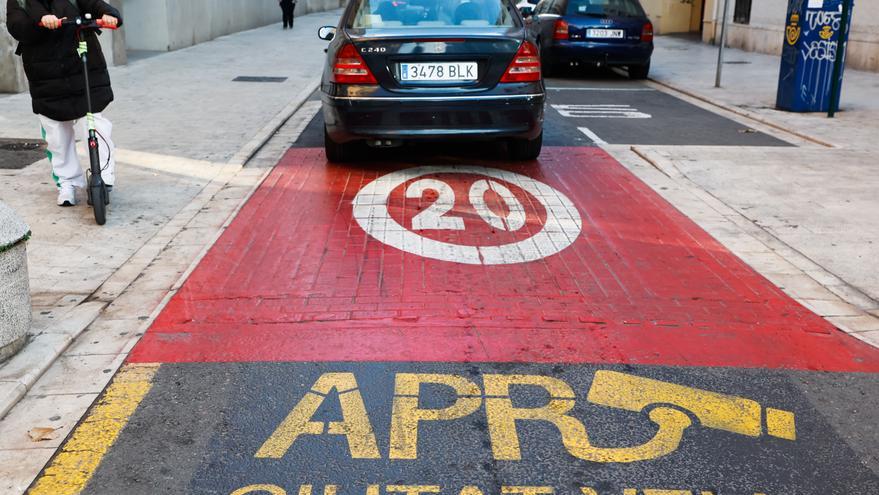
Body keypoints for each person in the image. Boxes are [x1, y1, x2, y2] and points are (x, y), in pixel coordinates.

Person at [5, 0, 122, 207]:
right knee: (56, 133)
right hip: (46, 73)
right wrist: (40, 21)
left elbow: (94, 4)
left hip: (82, 65)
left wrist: (109, 14)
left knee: (94, 123)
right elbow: (16, 26)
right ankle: (67, 182)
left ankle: (104, 174)